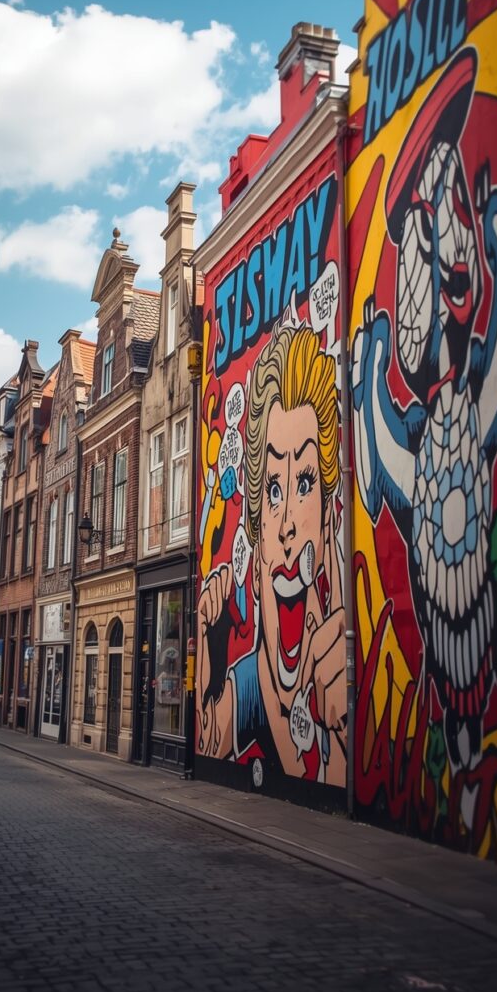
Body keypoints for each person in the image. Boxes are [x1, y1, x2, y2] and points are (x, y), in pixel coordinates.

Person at [197, 322, 347, 784]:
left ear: (326, 519)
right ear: (255, 530)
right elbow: (207, 736)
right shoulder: (250, 688)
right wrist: (205, 640)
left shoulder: (342, 658)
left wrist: (341, 732)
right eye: (274, 491)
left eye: (304, 484)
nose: (285, 527)